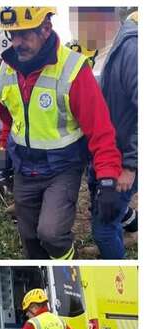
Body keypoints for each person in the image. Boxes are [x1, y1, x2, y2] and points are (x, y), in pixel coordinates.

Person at [0, 7, 122, 260]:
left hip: (62, 168)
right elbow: (8, 119)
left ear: (45, 28)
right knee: (29, 238)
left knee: (51, 234)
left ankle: (67, 263)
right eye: (12, 34)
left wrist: (108, 178)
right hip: (24, 168)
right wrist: (3, 153)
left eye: (24, 34)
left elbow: (100, 129)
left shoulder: (73, 70)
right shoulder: (6, 71)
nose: (17, 42)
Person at [89, 10, 138, 258]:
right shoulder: (103, 49)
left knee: (103, 228)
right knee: (107, 216)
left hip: (123, 161)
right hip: (105, 155)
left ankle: (118, 266)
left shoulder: (131, 50)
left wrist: (131, 165)